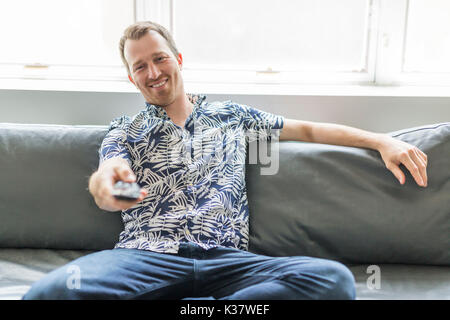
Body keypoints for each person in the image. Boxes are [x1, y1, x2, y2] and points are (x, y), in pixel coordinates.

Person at [23, 21, 428, 300]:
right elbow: (105, 180)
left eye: (159, 58)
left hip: (229, 264)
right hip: (147, 257)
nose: (153, 72)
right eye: (140, 66)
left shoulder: (231, 117)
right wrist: (111, 187)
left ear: (178, 60)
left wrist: (380, 141)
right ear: (132, 78)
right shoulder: (125, 129)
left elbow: (307, 131)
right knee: (50, 291)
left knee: (332, 280)